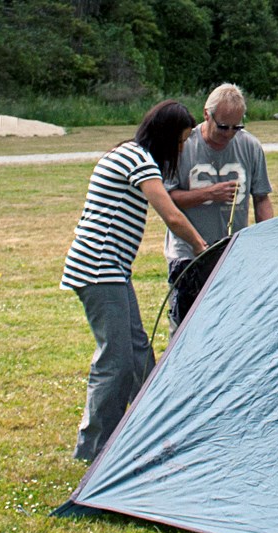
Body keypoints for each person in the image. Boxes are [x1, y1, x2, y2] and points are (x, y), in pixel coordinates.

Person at [61, 100, 209, 462]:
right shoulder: (137, 160)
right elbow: (172, 216)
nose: (179, 149)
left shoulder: (127, 153)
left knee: (140, 355)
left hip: (112, 271)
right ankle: (94, 449)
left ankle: (155, 431)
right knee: (117, 362)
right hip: (99, 270)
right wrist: (203, 248)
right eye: (179, 141)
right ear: (165, 135)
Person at [165, 83, 274, 329]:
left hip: (233, 253)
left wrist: (266, 240)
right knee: (188, 326)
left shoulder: (250, 146)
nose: (229, 133)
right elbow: (168, 199)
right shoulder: (184, 145)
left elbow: (262, 198)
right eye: (223, 126)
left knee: (232, 325)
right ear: (207, 114)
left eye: (237, 127)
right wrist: (209, 193)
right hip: (188, 255)